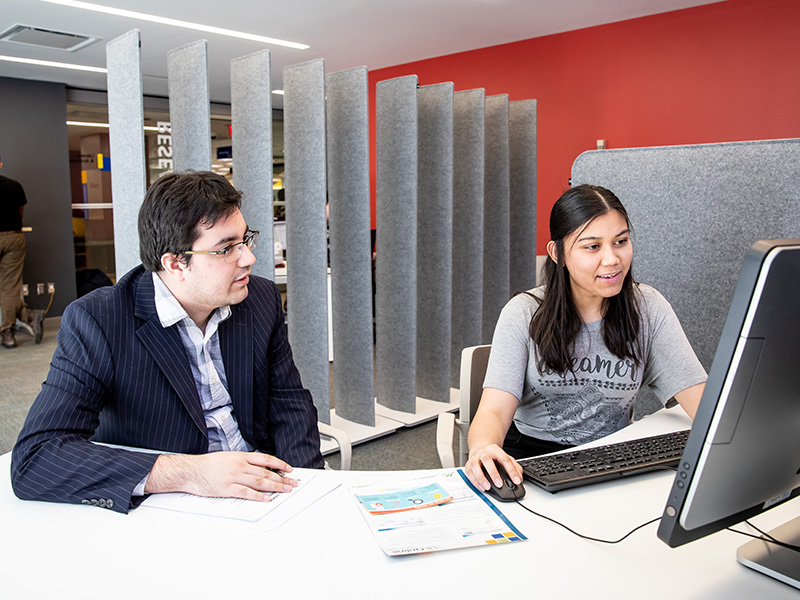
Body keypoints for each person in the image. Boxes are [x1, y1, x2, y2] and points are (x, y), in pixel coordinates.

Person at [11, 171, 324, 513]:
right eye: (226, 249)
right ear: (175, 263)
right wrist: (189, 473)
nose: (248, 258)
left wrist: (307, 490)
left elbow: (290, 405)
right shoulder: (100, 321)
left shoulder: (258, 298)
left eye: (245, 239)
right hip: (174, 504)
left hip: (262, 492)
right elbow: (36, 457)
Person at [465, 184, 707, 492]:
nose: (612, 259)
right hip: (530, 461)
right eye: (592, 247)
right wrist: (483, 448)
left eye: (621, 241)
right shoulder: (523, 312)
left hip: (613, 459)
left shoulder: (648, 308)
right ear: (558, 253)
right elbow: (494, 411)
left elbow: (701, 400)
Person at [0, 154, 44, 349]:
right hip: (14, 238)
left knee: (7, 289)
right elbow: (20, 213)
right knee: (9, 288)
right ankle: (25, 318)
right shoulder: (14, 186)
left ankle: (10, 328)